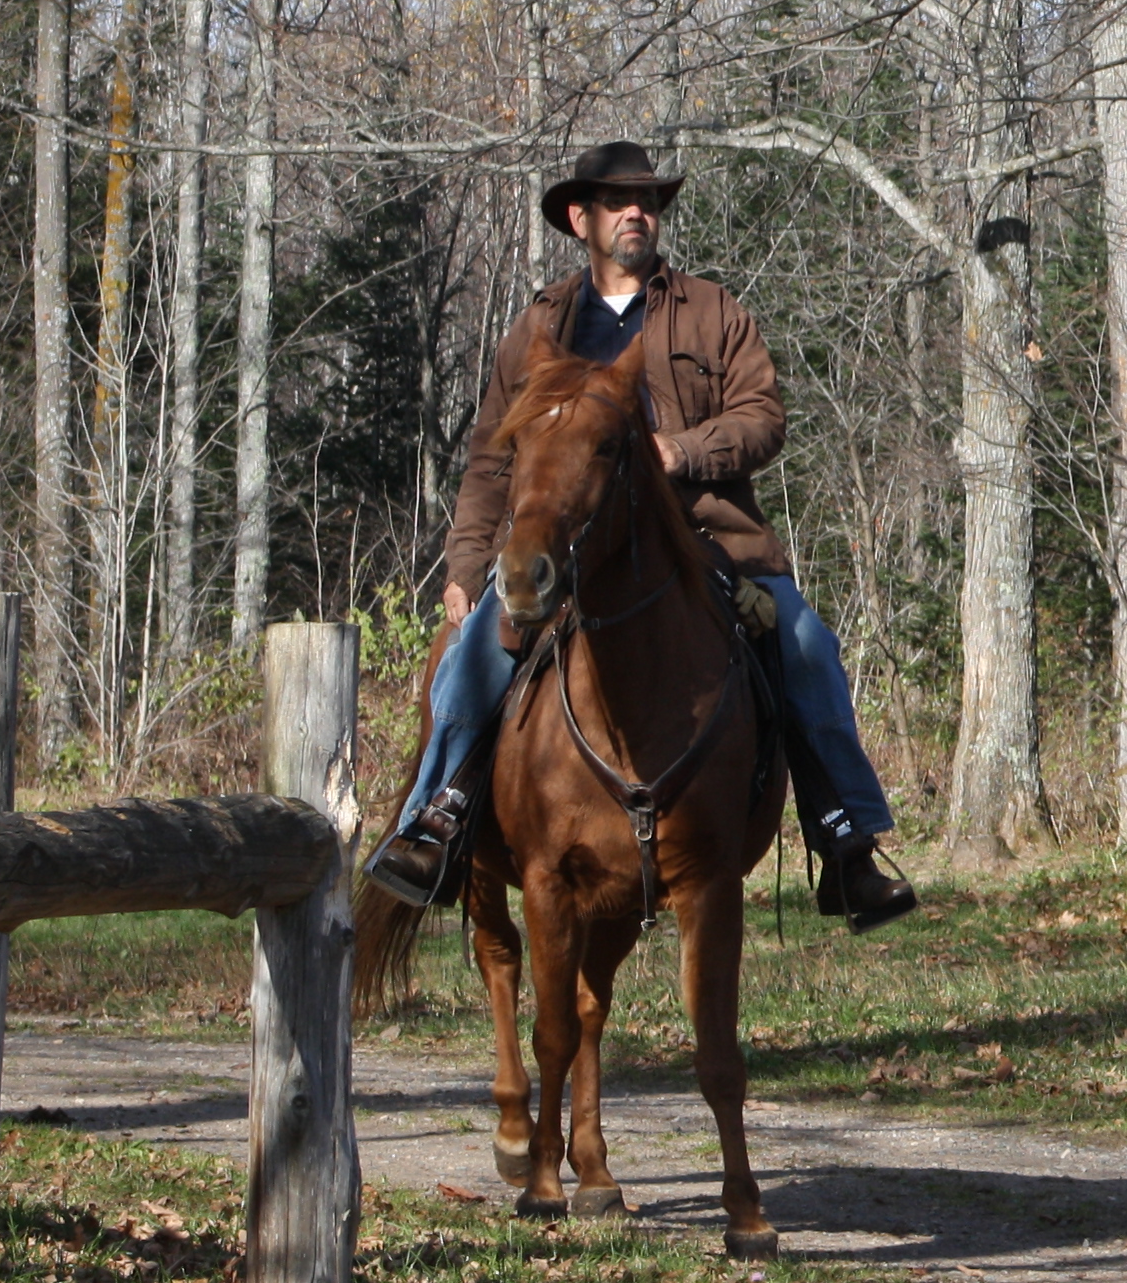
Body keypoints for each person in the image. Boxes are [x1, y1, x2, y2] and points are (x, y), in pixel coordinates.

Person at [361, 141, 917, 934]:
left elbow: (764, 418)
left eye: (648, 201)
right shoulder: (539, 328)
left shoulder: (711, 311)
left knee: (806, 647)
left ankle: (847, 843)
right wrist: (466, 564)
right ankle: (435, 823)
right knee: (471, 656)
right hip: (561, 551)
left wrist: (680, 451)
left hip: (708, 544)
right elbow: (492, 458)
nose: (637, 213)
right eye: (618, 202)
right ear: (580, 219)